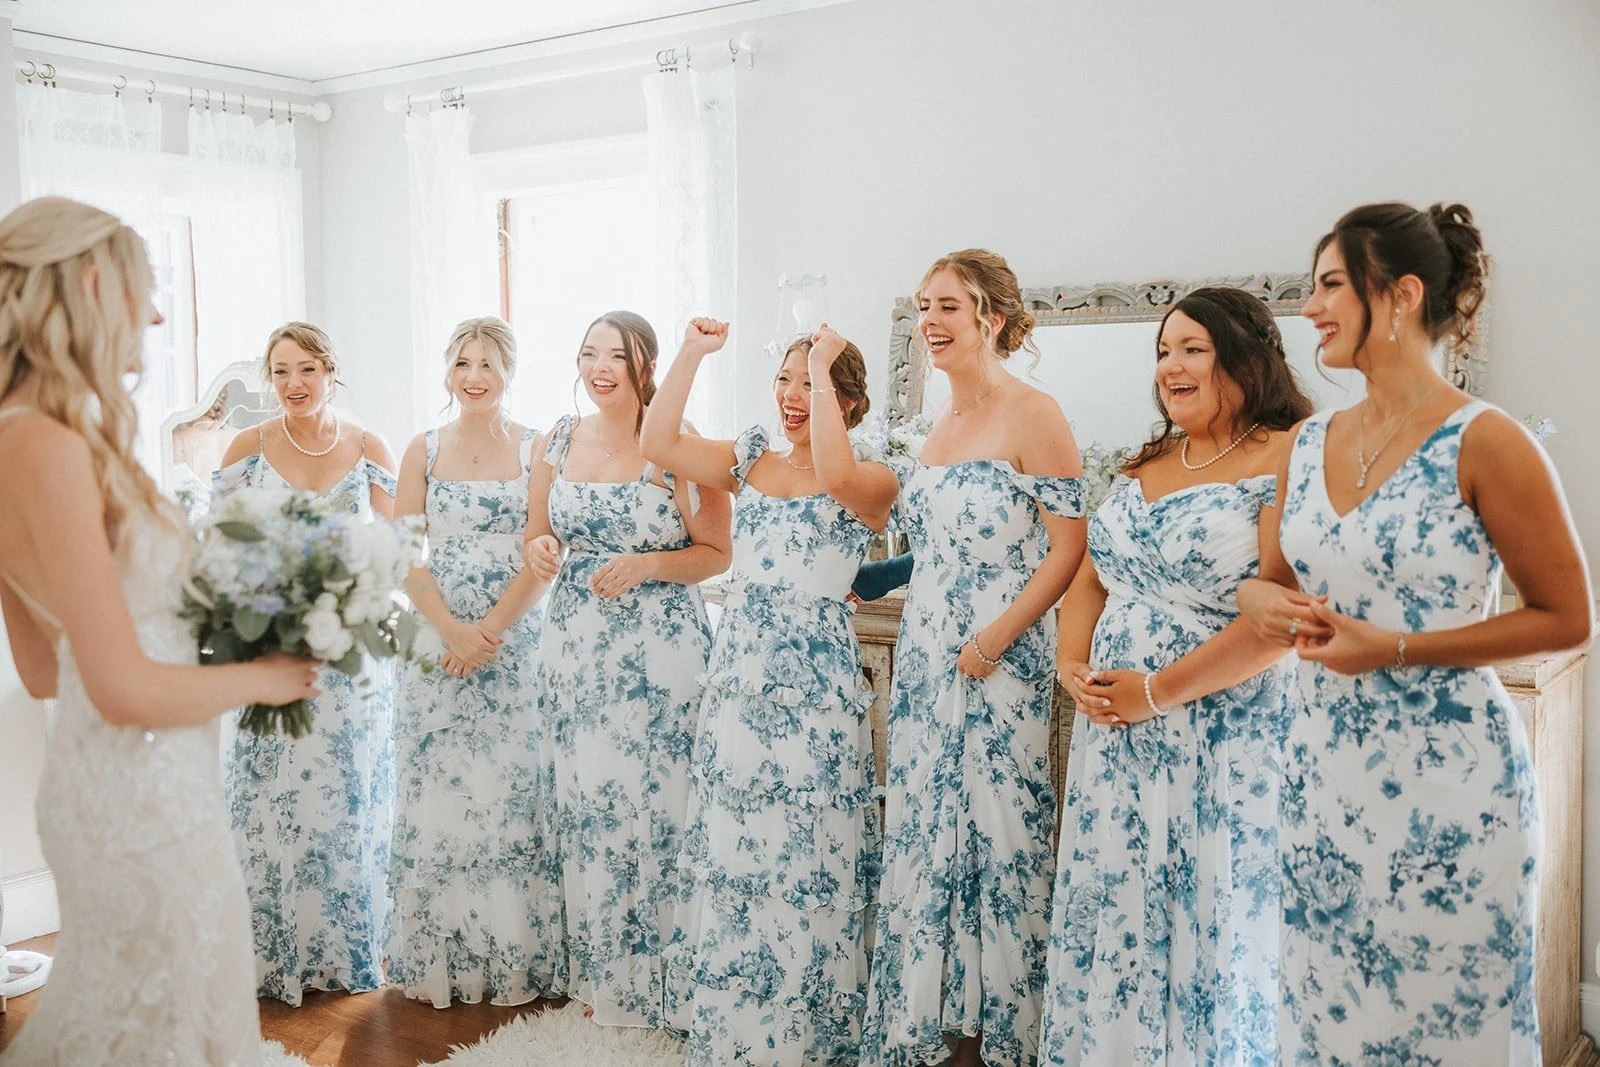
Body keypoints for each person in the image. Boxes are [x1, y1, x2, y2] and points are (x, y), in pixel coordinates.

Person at [1238, 202, 1593, 1065]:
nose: (1311, 305)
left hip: (1451, 784)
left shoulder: (1489, 441)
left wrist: (1393, 647)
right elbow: (1272, 583)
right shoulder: (1308, 440)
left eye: (1329, 284)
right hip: (1321, 775)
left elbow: (1570, 615)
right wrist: (1258, 602)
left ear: (1397, 295)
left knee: (1444, 1027)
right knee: (1324, 1018)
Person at [0, 196, 317, 1064]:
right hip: (139, 794)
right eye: (145, 287)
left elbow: (41, 668)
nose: (157, 313)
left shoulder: (32, 437)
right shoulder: (47, 446)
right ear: (94, 282)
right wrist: (270, 676)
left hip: (114, 779)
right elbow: (122, 685)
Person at [1040, 287, 1313, 1065]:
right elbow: (1091, 577)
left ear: (1244, 356)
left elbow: (1279, 623)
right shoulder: (1145, 460)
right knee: (1121, 901)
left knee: (1210, 911)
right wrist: (1072, 665)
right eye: (1163, 351)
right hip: (1117, 738)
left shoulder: (1288, 453)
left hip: (1221, 732)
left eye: (1192, 348)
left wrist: (1156, 691)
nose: (1171, 365)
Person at [643, 320, 898, 1064]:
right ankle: (734, 1019)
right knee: (737, 844)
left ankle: (802, 1022)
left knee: (804, 845)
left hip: (814, 683)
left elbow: (841, 477)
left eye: (809, 382)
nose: (790, 395)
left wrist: (821, 366)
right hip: (742, 669)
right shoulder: (750, 457)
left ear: (848, 402)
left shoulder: (872, 478)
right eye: (783, 379)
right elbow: (659, 444)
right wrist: (691, 352)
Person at [862, 250, 1087, 1067]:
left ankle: (1009, 1021)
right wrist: (875, 578)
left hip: (1003, 657)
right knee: (927, 824)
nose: (930, 320)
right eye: (924, 305)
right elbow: (938, 548)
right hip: (927, 650)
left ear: (991, 316)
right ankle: (940, 1005)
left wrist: (997, 638)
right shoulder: (938, 424)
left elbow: (1069, 549)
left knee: (1001, 828)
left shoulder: (1036, 413)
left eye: (948, 306)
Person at [524, 311, 732, 1027]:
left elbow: (715, 552)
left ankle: (665, 980)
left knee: (656, 806)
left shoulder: (682, 446)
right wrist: (544, 551)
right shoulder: (556, 438)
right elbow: (536, 532)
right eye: (589, 353)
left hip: (658, 652)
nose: (600, 367)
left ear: (647, 367)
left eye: (618, 355)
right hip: (574, 649)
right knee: (589, 807)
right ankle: (602, 971)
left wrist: (646, 564)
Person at [213, 321, 400, 1004]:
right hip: (270, 647)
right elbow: (222, 549)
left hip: (349, 659)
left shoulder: (369, 445)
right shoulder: (246, 447)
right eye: (281, 371)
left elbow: (391, 552)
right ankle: (269, 952)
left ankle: (344, 948)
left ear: (331, 370)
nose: (293, 384)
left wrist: (353, 609)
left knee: (345, 799)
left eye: (307, 370)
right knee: (272, 799)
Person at [387, 316, 558, 1006]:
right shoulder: (422, 449)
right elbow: (404, 551)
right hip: (433, 641)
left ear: (509, 371)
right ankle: (440, 959)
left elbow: (543, 551)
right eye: (463, 363)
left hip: (512, 642)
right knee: (437, 795)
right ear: (447, 372)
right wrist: (450, 630)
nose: (474, 376)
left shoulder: (537, 448)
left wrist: (485, 632)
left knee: (505, 794)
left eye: (487, 363)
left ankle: (510, 959)